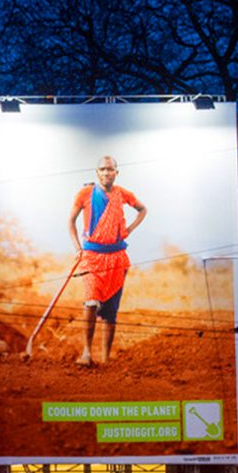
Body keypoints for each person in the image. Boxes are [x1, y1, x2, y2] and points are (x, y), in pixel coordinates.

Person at [66, 155, 146, 365]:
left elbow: (142, 209)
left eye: (110, 169)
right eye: (102, 169)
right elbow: (71, 222)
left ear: (116, 172)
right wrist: (77, 248)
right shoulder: (85, 194)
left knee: (111, 311)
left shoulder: (122, 194)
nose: (106, 173)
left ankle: (106, 358)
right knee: (91, 302)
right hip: (91, 257)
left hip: (117, 258)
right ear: (97, 172)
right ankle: (86, 353)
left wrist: (128, 229)